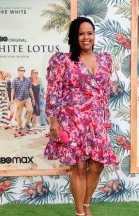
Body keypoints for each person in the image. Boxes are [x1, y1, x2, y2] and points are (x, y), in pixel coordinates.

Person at [44, 17, 118, 216]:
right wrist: (53, 121)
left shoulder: (105, 59)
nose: (86, 37)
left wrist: (105, 118)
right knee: (79, 166)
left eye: (89, 33)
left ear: (94, 35)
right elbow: (53, 91)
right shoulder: (63, 61)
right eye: (81, 33)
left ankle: (86, 204)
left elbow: (104, 93)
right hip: (73, 118)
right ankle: (80, 213)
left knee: (97, 166)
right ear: (74, 37)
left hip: (95, 120)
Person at [11, 66, 35, 131]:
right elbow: (12, 90)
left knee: (30, 110)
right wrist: (12, 99)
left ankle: (27, 123)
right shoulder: (14, 80)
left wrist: (33, 98)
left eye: (23, 70)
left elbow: (30, 89)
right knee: (19, 114)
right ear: (18, 71)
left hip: (27, 98)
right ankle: (20, 126)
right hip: (18, 99)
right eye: (21, 70)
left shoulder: (27, 80)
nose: (22, 72)